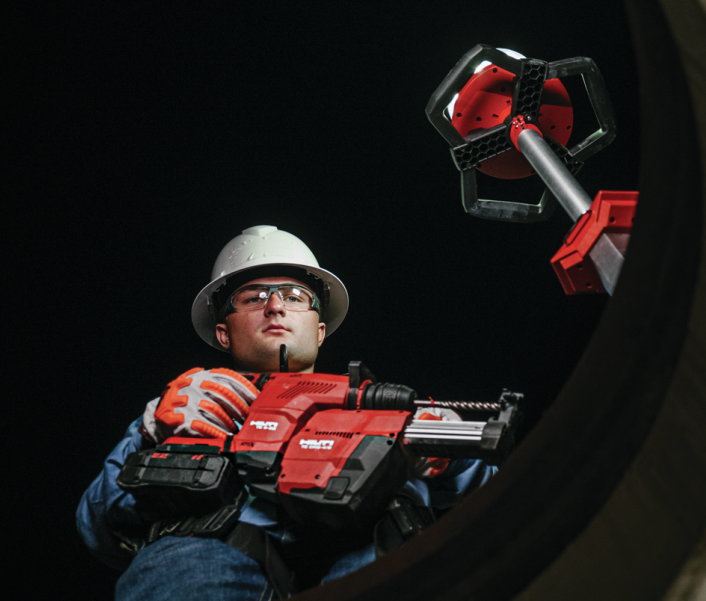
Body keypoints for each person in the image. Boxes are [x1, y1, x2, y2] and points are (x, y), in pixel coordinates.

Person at [77, 225, 495, 600]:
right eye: (254, 297)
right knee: (182, 572)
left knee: (396, 551)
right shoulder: (181, 411)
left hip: (368, 556)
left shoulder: (383, 408)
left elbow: (493, 502)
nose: (275, 306)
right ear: (223, 331)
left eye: (295, 297)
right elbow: (96, 529)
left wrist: (447, 449)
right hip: (202, 564)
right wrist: (149, 431)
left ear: (319, 329)